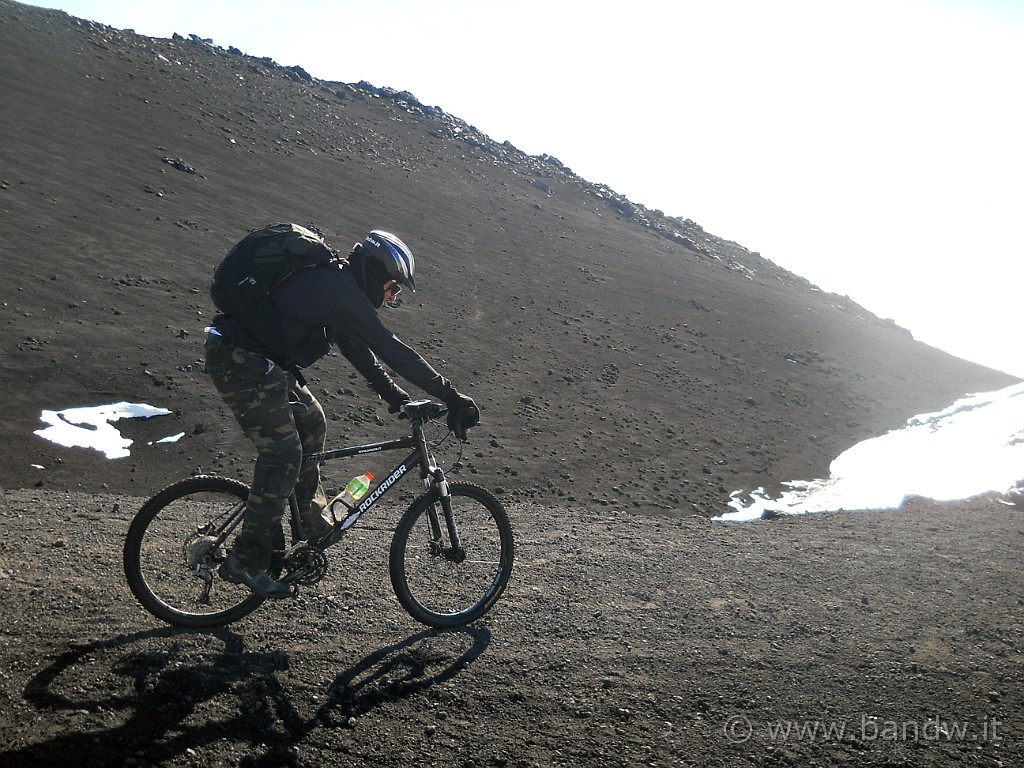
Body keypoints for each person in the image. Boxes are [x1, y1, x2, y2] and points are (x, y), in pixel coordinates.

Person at [204, 227, 479, 598]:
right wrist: (453, 396)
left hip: (262, 364)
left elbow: (359, 351)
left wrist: (397, 398)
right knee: (283, 455)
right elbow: (389, 348)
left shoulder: (338, 288)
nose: (392, 295)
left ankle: (312, 521)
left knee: (313, 423)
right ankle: (246, 559)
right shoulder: (340, 292)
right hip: (243, 363)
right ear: (378, 273)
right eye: (393, 286)